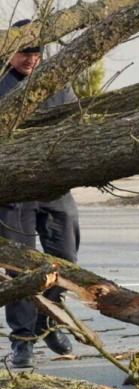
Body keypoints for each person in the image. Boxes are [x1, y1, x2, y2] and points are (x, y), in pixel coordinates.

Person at [1, 19, 80, 368]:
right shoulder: (2, 86)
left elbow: (78, 124)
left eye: (37, 51)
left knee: (64, 258)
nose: (32, 58)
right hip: (15, 191)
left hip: (54, 187)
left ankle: (49, 321)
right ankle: (23, 339)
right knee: (19, 268)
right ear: (10, 51)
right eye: (25, 51)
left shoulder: (56, 83)